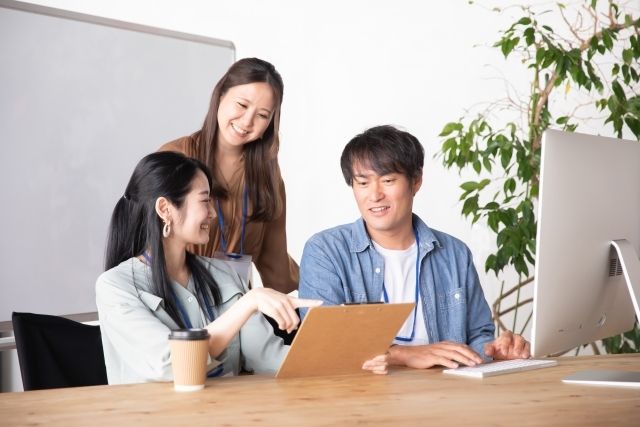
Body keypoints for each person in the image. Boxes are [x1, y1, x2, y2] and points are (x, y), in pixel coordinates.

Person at [96, 151, 388, 384]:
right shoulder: (115, 287)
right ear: (165, 209)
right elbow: (172, 364)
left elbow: (268, 357)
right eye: (205, 201)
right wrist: (248, 303)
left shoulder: (221, 274)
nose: (213, 213)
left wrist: (353, 358)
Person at [298, 125, 531, 370]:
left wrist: (498, 351)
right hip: (364, 390)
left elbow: (479, 336)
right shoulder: (326, 251)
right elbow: (322, 344)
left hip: (444, 387)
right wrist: (402, 354)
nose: (374, 195)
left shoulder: (454, 253)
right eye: (363, 183)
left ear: (416, 181)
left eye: (388, 180)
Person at [159, 57, 297, 295]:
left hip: (237, 304)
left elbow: (276, 266)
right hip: (177, 300)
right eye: (242, 105)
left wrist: (325, 277)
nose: (247, 122)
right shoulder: (174, 158)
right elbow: (144, 245)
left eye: (262, 115)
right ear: (221, 94)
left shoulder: (268, 176)